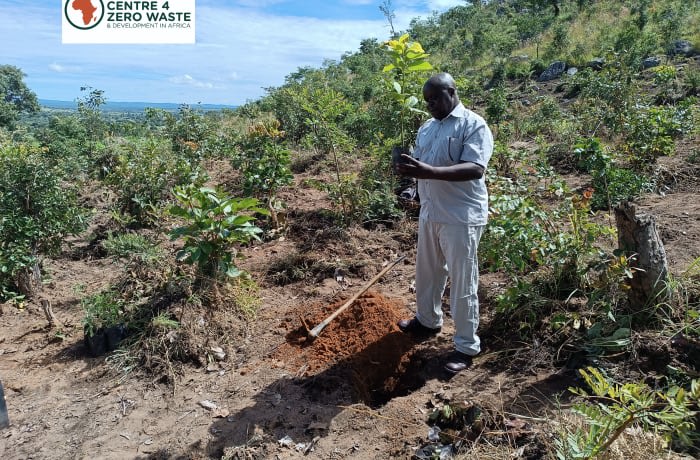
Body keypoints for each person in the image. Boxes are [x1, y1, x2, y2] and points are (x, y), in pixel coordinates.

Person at [394, 72, 493, 374]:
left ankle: (465, 346)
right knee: (427, 273)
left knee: (463, 283)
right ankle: (427, 321)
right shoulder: (427, 128)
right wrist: (411, 186)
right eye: (427, 101)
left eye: (435, 99)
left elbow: (475, 169)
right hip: (430, 212)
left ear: (451, 92)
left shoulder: (474, 125)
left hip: (461, 216)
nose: (430, 106)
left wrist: (429, 172)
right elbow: (419, 166)